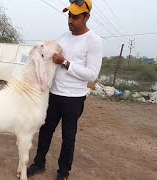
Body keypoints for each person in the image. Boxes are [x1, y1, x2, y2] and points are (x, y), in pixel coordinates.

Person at [27, 0, 102, 179]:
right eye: (69, 16)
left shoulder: (94, 41)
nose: (70, 20)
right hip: (54, 94)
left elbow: (92, 75)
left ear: (87, 17)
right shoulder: (63, 37)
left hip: (74, 99)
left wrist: (66, 63)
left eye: (75, 17)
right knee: (45, 131)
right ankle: (39, 164)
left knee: (68, 138)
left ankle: (63, 173)